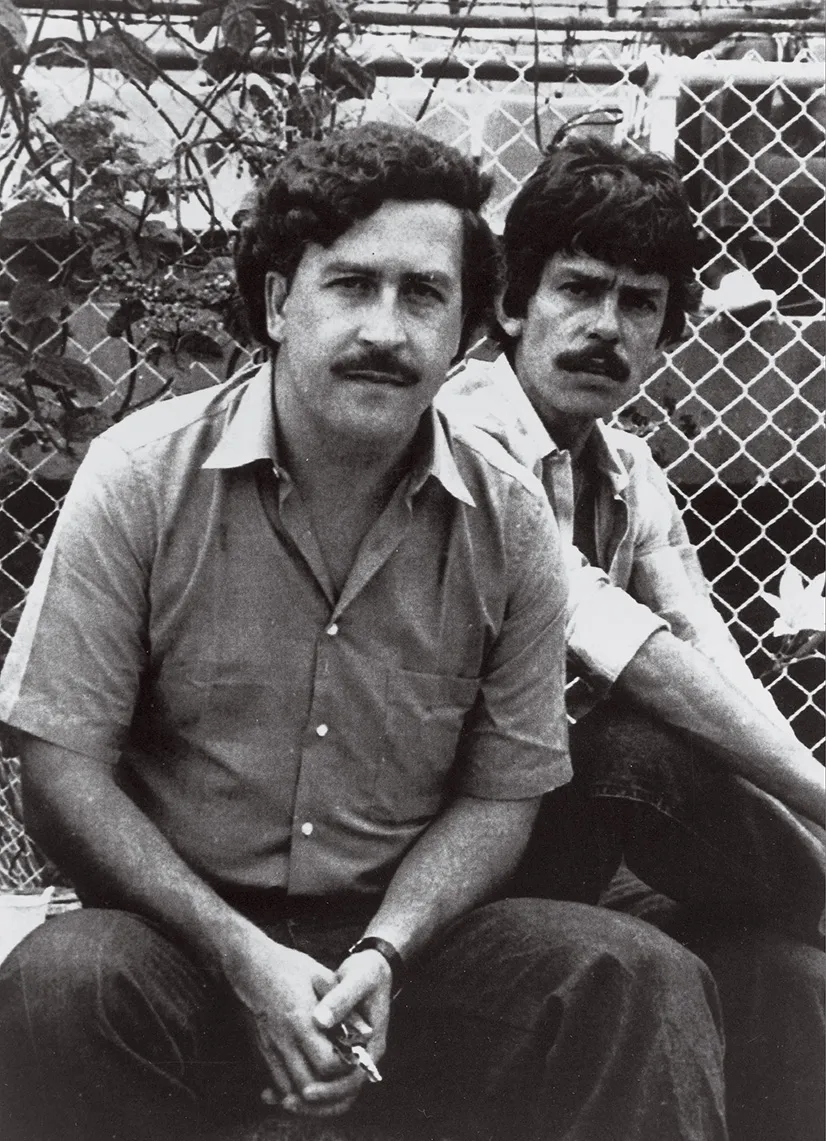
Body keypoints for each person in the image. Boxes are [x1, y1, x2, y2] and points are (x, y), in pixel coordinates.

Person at [0, 124, 728, 1141]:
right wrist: (238, 954)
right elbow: (62, 770)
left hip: (406, 950)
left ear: (470, 325)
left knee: (631, 974)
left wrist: (383, 951)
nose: (387, 329)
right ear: (276, 304)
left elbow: (498, 797)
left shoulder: (508, 521)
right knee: (59, 982)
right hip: (179, 933)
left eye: (423, 294)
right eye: (350, 284)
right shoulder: (140, 478)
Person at [438, 133, 825, 1141]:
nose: (605, 327)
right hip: (439, 842)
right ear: (514, 302)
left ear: (664, 333)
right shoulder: (463, 435)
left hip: (565, 843)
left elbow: (707, 650)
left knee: (785, 973)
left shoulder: (625, 467)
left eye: (639, 304)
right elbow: (621, 644)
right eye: (578, 289)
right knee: (635, 744)